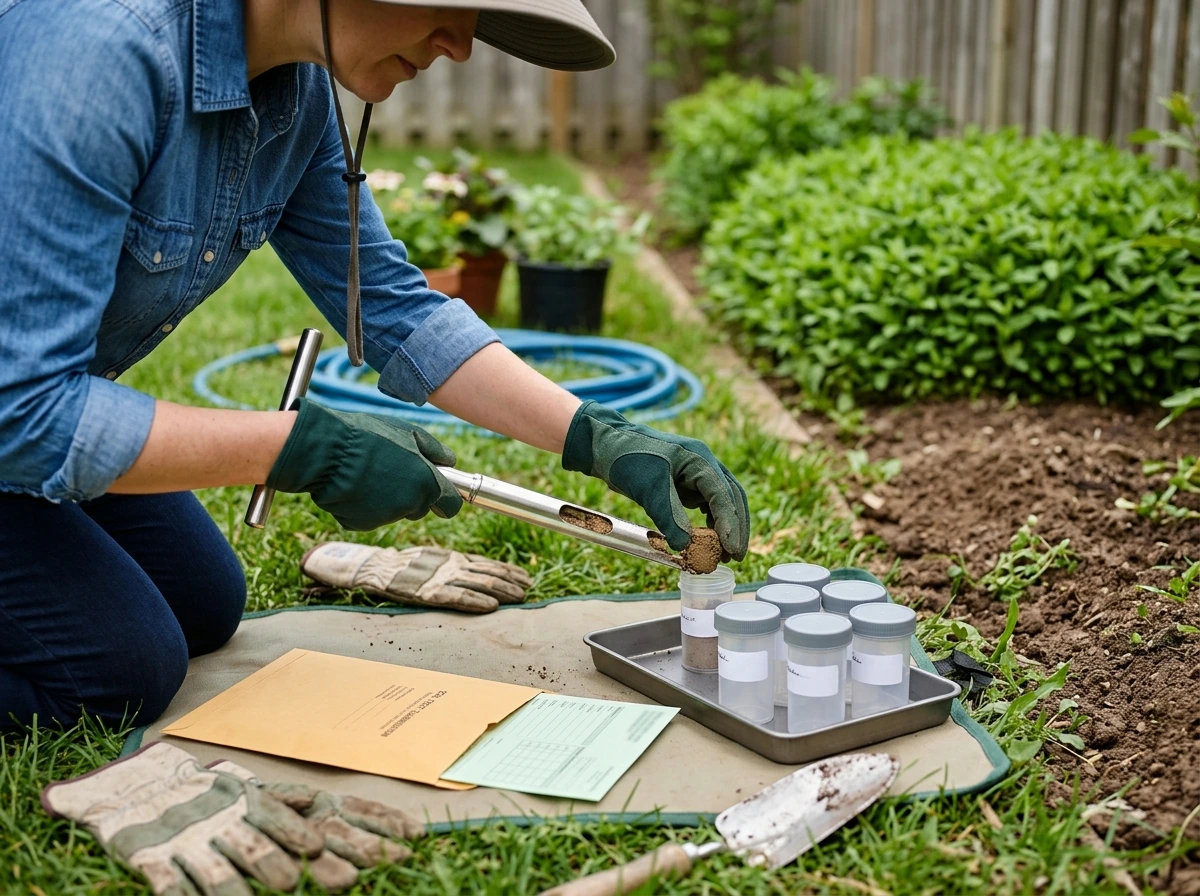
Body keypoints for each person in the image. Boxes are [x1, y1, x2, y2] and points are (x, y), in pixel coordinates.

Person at [0, 0, 750, 733]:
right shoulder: (99, 54)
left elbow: (391, 305)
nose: (460, 44)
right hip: (20, 416)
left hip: (31, 412)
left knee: (203, 603)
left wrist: (599, 437)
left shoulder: (292, 98)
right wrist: (297, 449)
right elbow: (25, 413)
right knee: (120, 671)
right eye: (448, 7)